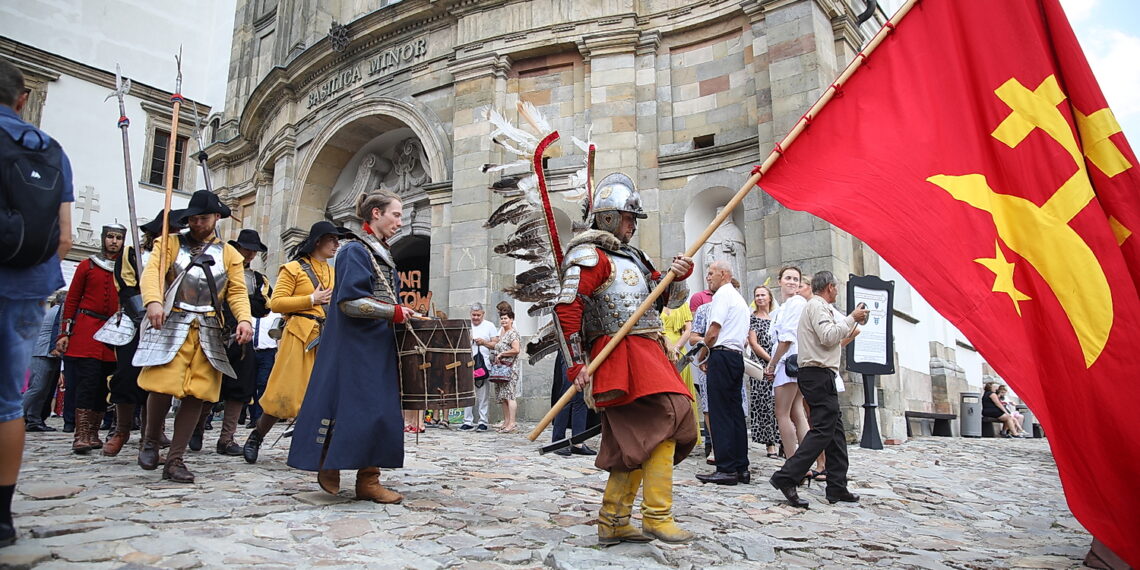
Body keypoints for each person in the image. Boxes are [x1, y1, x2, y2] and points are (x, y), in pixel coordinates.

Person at [555, 173, 696, 544]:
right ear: (608, 218)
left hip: (648, 348)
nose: (632, 226)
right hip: (619, 354)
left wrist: (677, 276)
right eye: (628, 218)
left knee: (635, 440)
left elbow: (669, 298)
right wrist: (575, 364)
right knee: (670, 413)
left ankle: (613, 521)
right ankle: (657, 515)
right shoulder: (590, 255)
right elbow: (566, 309)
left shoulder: (635, 257)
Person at [287, 190, 415, 504]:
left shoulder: (379, 251)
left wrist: (398, 314)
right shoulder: (354, 251)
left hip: (377, 343)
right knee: (356, 409)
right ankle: (332, 462)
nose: (400, 221)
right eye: (395, 214)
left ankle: (368, 479)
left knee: (378, 410)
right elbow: (349, 302)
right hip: (356, 346)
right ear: (376, 213)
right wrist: (394, 312)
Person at [0, 57, 74, 547]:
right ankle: (2, 519)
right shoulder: (48, 148)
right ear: (23, 98)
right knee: (7, 402)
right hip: (27, 284)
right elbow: (65, 238)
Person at [134, 190, 254, 483]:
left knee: (198, 394)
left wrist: (244, 319)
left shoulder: (229, 254)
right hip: (172, 320)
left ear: (216, 218)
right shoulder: (170, 242)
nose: (198, 224)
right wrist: (153, 301)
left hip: (208, 328)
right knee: (161, 384)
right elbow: (153, 274)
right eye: (194, 219)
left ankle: (175, 460)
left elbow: (236, 291)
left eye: (204, 218)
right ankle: (150, 440)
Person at [769, 271, 868, 508]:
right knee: (823, 430)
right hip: (816, 373)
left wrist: (855, 319)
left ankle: (837, 485)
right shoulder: (816, 306)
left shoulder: (821, 307)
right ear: (830, 287)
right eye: (836, 287)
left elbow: (839, 330)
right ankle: (787, 476)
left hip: (822, 373)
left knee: (835, 433)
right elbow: (828, 336)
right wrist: (852, 317)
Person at [242, 221, 338, 463]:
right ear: (318, 241)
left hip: (325, 335)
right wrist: (311, 298)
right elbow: (276, 303)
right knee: (285, 392)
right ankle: (257, 435)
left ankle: (313, 449)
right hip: (298, 334)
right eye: (332, 240)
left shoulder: (333, 271)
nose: (337, 245)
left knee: (322, 395)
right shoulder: (293, 268)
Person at [103, 210, 184, 456]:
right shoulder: (132, 254)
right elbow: (126, 286)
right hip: (137, 319)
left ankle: (152, 433)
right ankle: (122, 429)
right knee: (127, 376)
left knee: (160, 381)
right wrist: (145, 311)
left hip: (168, 323)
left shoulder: (182, 256)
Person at [194, 229, 271, 456]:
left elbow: (264, 307)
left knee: (239, 388)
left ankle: (226, 439)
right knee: (207, 384)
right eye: (246, 249)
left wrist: (241, 301)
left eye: (253, 251)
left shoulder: (257, 280)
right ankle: (197, 428)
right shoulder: (216, 270)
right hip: (213, 332)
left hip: (242, 336)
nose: (249, 254)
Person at [56, 222, 125, 454]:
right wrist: (65, 332)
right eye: (110, 237)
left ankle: (94, 433)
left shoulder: (126, 269)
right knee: (86, 382)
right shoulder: (87, 266)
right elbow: (72, 300)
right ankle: (82, 434)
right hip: (87, 330)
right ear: (103, 238)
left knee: (104, 386)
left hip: (113, 332)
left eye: (118, 237)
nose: (114, 241)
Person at [695, 261, 751, 485]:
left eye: (711, 273)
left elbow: (713, 331)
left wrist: (702, 355)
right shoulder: (739, 298)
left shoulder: (722, 296)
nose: (708, 277)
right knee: (735, 412)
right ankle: (740, 467)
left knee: (720, 413)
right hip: (736, 357)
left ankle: (726, 467)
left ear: (724, 275)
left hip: (721, 355)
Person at [766, 266, 811, 467]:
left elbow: (787, 339)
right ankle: (803, 462)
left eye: (796, 279)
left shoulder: (796, 303)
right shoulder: (782, 307)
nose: (792, 282)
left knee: (782, 413)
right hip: (791, 361)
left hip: (788, 362)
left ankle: (794, 463)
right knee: (796, 411)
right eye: (788, 278)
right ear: (780, 281)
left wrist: (772, 364)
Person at [22, 292, 65, 432]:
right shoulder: (58, 311)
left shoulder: (51, 311)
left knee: (43, 390)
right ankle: (10, 416)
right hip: (43, 352)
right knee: (37, 388)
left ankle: (34, 420)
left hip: (46, 353)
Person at [747, 285, 779, 458]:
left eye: (762, 295)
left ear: (769, 298)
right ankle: (770, 444)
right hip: (761, 364)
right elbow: (753, 343)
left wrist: (777, 362)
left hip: (778, 364)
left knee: (779, 404)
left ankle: (782, 441)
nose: (759, 298)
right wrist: (770, 361)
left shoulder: (776, 317)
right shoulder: (752, 319)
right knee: (764, 404)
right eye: (757, 295)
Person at [460, 303, 497, 432]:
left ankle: (483, 421)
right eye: (473, 315)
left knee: (483, 394)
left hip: (483, 365)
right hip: (467, 364)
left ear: (483, 314)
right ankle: (467, 421)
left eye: (478, 315)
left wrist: (484, 342)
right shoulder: (465, 325)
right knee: (467, 393)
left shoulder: (489, 326)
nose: (475, 318)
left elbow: (496, 344)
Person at [245, 309, 279, 428]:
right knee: (251, 384)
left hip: (268, 353)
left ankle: (260, 416)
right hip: (251, 351)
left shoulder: (275, 314)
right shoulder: (248, 313)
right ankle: (253, 417)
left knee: (263, 383)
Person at [491, 301, 521, 434]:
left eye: (506, 318)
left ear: (511, 319)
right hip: (500, 368)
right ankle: (506, 421)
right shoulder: (502, 333)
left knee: (510, 395)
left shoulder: (513, 333)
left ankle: (512, 422)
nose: (503, 321)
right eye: (502, 319)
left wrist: (503, 353)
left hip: (510, 368)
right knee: (503, 396)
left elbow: (516, 349)